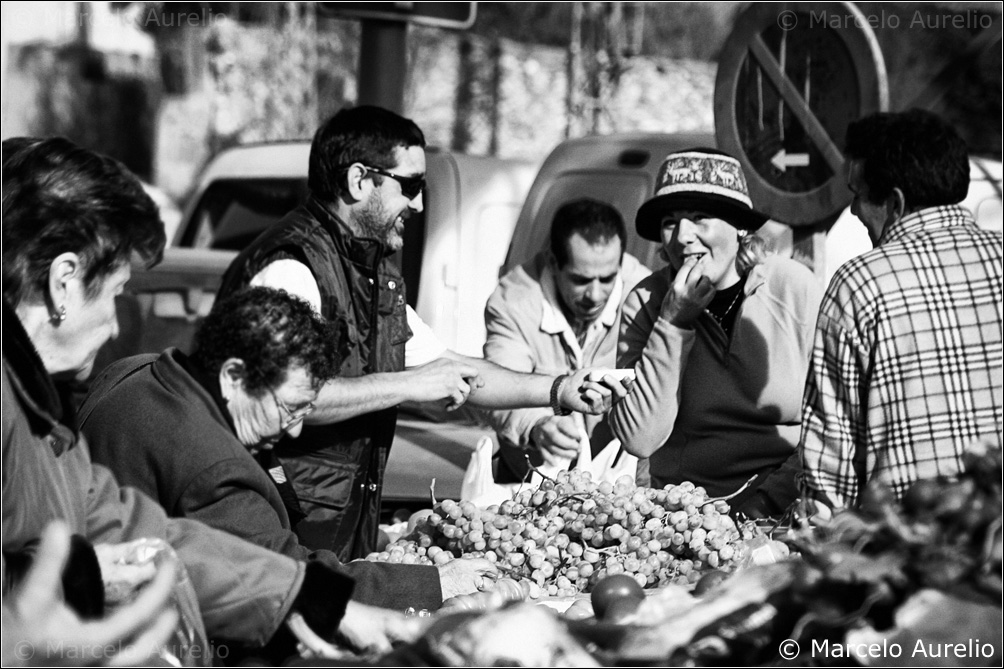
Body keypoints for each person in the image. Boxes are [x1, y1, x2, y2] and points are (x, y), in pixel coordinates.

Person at [1, 136, 413, 660]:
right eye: (115, 295)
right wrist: (75, 587)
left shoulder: (42, 414)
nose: (112, 327)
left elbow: (138, 536)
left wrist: (316, 601)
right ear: (64, 282)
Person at [216, 106, 631, 559]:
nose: (417, 204)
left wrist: (559, 389)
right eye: (410, 185)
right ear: (359, 181)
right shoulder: (290, 268)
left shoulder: (370, 276)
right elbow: (285, 398)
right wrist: (409, 385)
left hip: (327, 525)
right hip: (273, 526)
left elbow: (455, 370)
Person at [80, 286, 496, 612]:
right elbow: (290, 582)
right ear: (233, 375)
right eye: (290, 408)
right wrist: (435, 583)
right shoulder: (213, 467)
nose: (296, 431)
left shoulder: (135, 372)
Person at [799, 110, 1004, 512]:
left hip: (907, 549)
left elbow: (830, 468)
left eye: (857, 194)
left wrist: (820, 553)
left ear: (895, 202)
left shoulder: (860, 284)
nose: (854, 210)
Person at [609, 148, 823, 517]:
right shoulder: (645, 301)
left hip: (786, 504)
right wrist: (674, 323)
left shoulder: (793, 288)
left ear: (741, 228)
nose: (682, 237)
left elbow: (831, 422)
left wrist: (770, 500)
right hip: (686, 514)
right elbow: (639, 438)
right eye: (670, 222)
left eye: (699, 217)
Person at [484, 198, 650, 482]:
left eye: (608, 278)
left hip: (623, 486)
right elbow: (497, 386)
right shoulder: (512, 302)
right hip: (534, 483)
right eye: (581, 280)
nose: (595, 295)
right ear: (553, 262)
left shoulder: (645, 294)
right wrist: (536, 425)